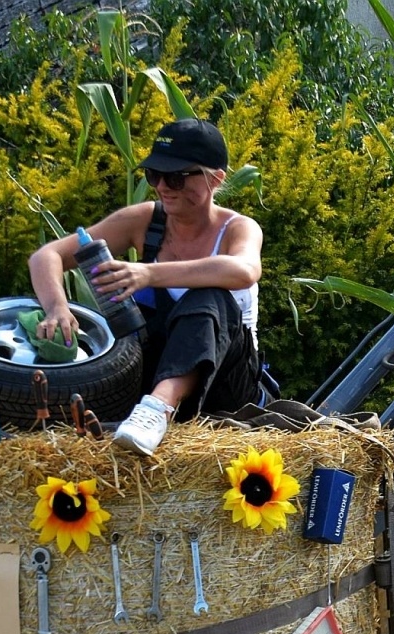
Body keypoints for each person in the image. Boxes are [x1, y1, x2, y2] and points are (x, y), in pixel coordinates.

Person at [28, 118, 263, 457]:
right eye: (155, 175)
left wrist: (148, 275)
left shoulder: (239, 228)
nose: (164, 187)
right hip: (153, 366)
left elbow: (244, 270)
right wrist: (57, 308)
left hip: (225, 383)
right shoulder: (144, 220)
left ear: (216, 179)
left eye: (178, 177)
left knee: (210, 296)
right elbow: (46, 255)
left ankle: (157, 409)